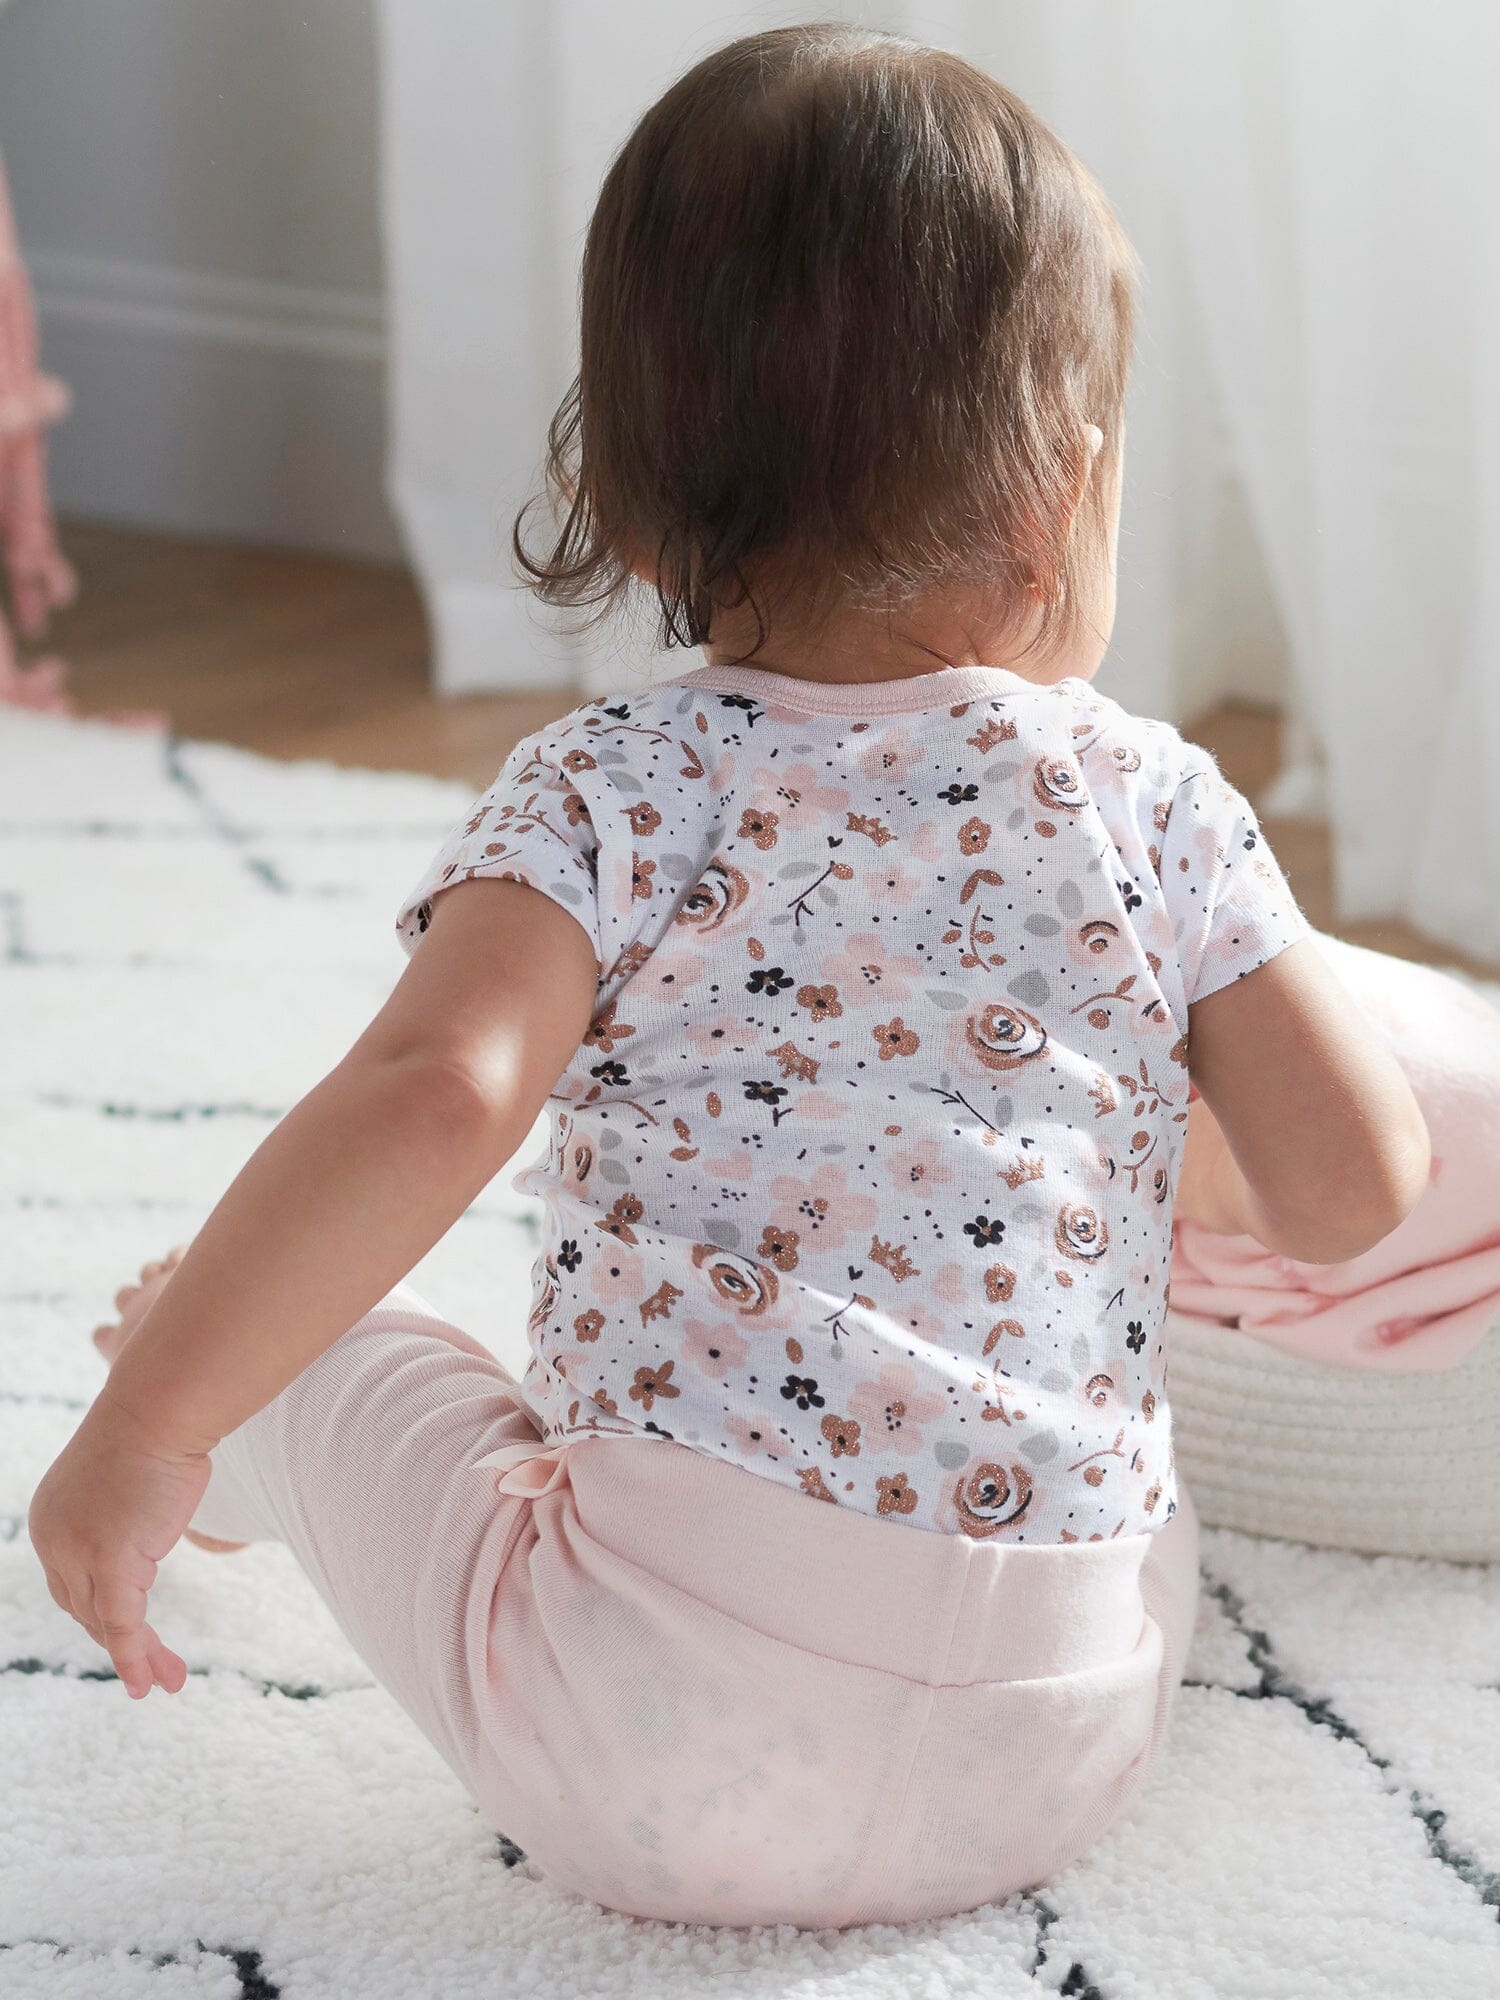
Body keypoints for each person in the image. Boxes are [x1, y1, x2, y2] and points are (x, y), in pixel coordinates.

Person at [27, 24, 1430, 1928]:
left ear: (619, 497)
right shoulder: (1154, 804)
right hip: (1067, 1735)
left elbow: (435, 1096)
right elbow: (1352, 1190)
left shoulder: (609, 790)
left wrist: (150, 1425)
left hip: (645, 1747)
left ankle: (224, 1432)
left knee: (321, 1333)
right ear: (1067, 497)